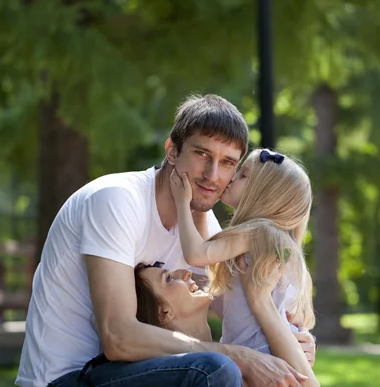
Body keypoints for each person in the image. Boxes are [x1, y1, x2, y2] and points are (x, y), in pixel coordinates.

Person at [16, 94, 314, 387]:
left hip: (134, 371)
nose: (212, 175)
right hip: (68, 377)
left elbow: (240, 305)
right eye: (202, 154)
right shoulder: (117, 200)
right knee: (216, 369)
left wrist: (292, 341)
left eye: (227, 163)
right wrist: (238, 356)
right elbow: (118, 337)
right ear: (172, 151)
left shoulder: (200, 220)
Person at [169, 148, 319, 385]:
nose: (232, 178)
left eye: (243, 175)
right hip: (279, 358)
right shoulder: (283, 247)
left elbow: (196, 254)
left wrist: (182, 202)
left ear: (261, 194)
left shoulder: (256, 233)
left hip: (257, 361)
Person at [128, 260, 319, 387]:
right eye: (169, 279)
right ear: (164, 313)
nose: (186, 273)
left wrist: (295, 345)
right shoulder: (214, 371)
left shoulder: (245, 355)